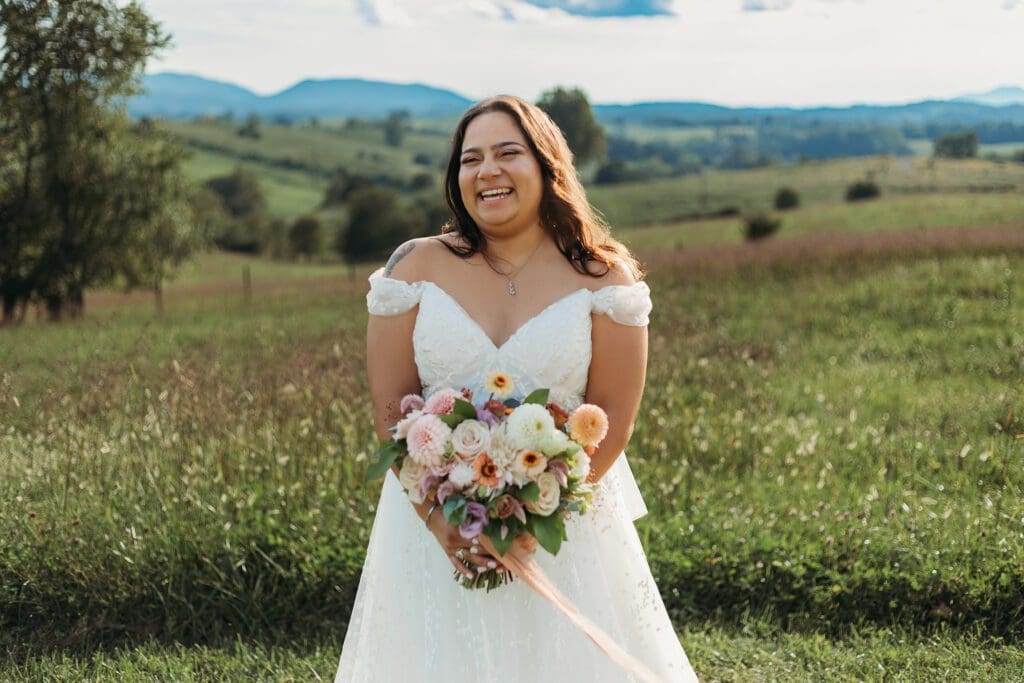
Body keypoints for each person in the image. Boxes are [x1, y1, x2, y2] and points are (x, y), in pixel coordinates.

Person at [334, 95, 698, 682]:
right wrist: (439, 520)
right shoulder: (414, 268)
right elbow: (388, 407)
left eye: (508, 153)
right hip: (431, 524)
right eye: (469, 159)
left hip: (564, 526)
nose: (487, 171)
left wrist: (531, 521)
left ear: (547, 166)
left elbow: (612, 418)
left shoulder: (605, 278)